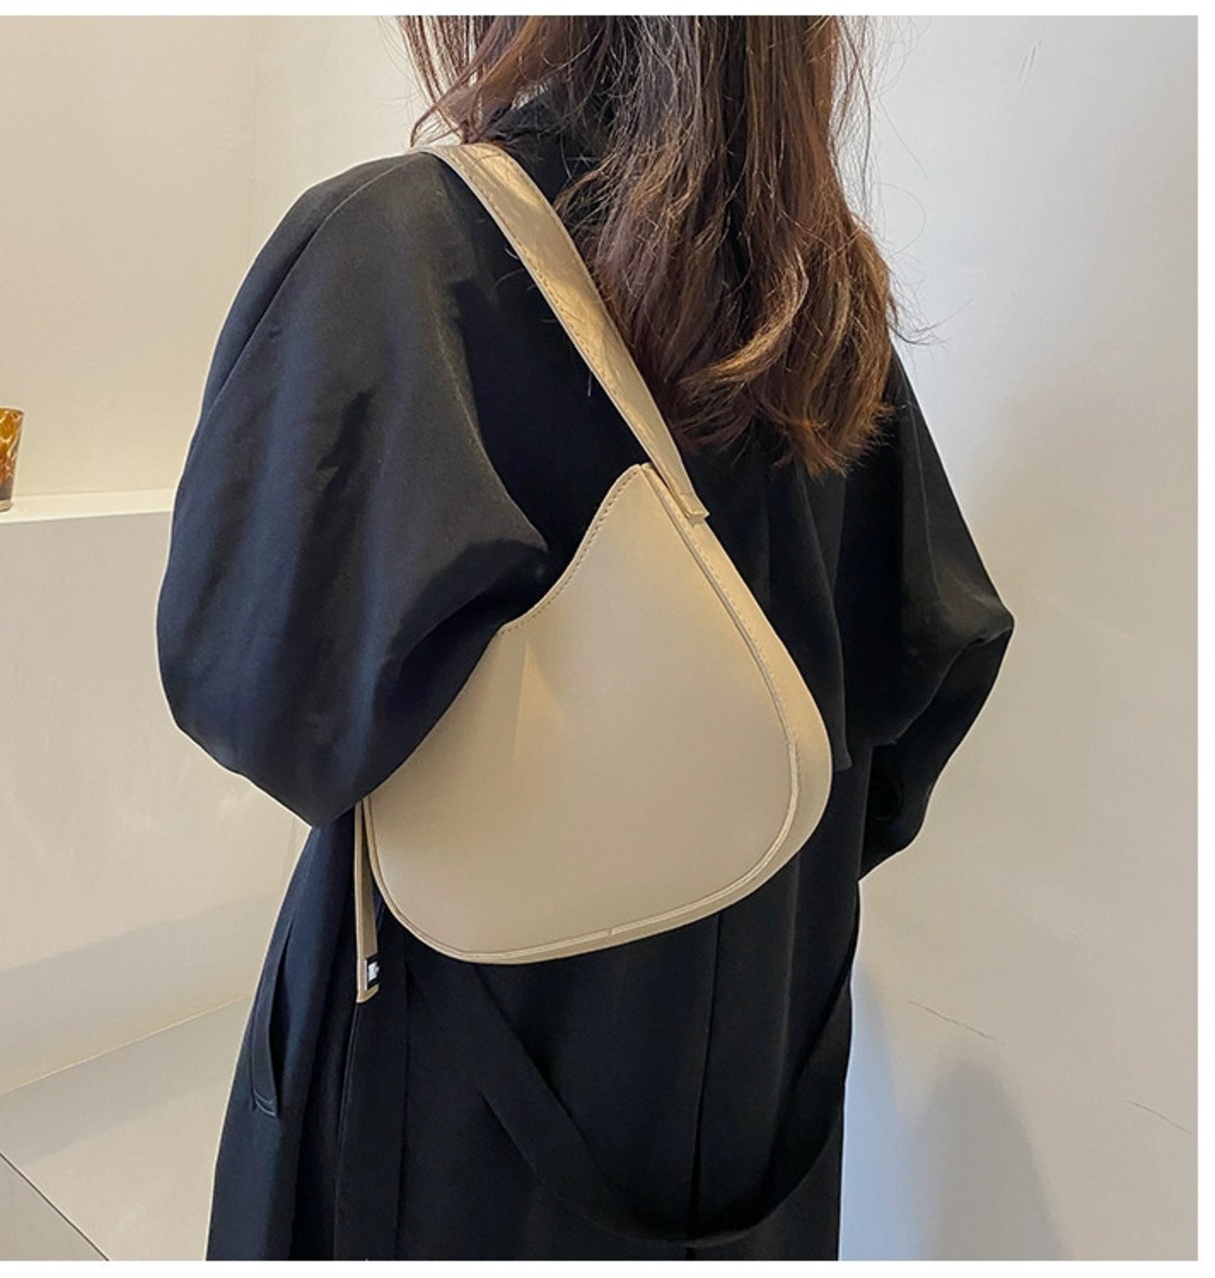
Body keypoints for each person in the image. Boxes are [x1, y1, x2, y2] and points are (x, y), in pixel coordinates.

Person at [156, 16, 1014, 1261]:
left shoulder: (405, 253)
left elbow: (263, 698)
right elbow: (925, 678)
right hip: (760, 1090)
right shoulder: (831, 327)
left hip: (453, 1100)